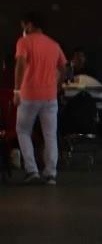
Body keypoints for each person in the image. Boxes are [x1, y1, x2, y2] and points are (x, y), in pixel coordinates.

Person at [14, 11, 67, 185]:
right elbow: (63, 67)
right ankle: (51, 174)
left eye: (23, 26)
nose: (23, 29)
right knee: (50, 135)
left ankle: (32, 171)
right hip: (50, 96)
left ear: (29, 25)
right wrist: (57, 85)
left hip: (28, 95)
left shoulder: (24, 42)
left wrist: (17, 91)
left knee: (23, 131)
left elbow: (20, 65)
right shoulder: (54, 44)